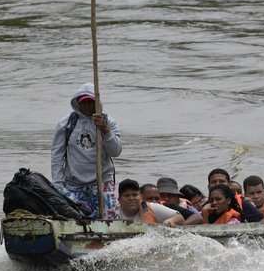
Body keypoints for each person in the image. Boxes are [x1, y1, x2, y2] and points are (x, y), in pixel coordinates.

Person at [50, 82, 123, 219]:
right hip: (73, 183)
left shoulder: (108, 122)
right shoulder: (66, 124)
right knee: (75, 220)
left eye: (91, 102)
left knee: (109, 220)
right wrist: (58, 183)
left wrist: (106, 131)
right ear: (78, 103)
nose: (88, 106)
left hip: (102, 181)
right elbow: (57, 155)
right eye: (84, 103)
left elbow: (116, 151)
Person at [116, 179, 187, 226]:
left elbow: (179, 217)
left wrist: (170, 220)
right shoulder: (114, 214)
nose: (131, 198)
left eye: (135, 195)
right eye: (127, 195)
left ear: (141, 197)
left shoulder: (152, 207)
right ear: (119, 200)